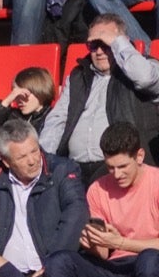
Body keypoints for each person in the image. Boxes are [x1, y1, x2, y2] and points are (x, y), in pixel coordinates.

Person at [44, 122, 159, 277]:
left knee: (149, 260)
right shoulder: (98, 188)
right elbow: (105, 254)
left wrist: (122, 243)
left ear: (139, 157)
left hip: (150, 266)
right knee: (58, 262)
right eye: (110, 167)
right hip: (115, 267)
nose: (116, 175)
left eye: (123, 166)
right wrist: (96, 242)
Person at [0, 120, 89, 277]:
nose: (33, 161)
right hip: (1, 271)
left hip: (48, 269)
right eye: (22, 157)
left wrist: (52, 264)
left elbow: (76, 213)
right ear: (5, 161)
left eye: (35, 151)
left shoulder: (62, 170)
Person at [40, 16, 159, 181]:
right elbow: (58, 118)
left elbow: (145, 78)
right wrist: (44, 161)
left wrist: (118, 43)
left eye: (106, 44)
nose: (100, 51)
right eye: (94, 45)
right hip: (75, 168)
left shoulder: (146, 66)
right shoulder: (78, 76)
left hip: (118, 171)